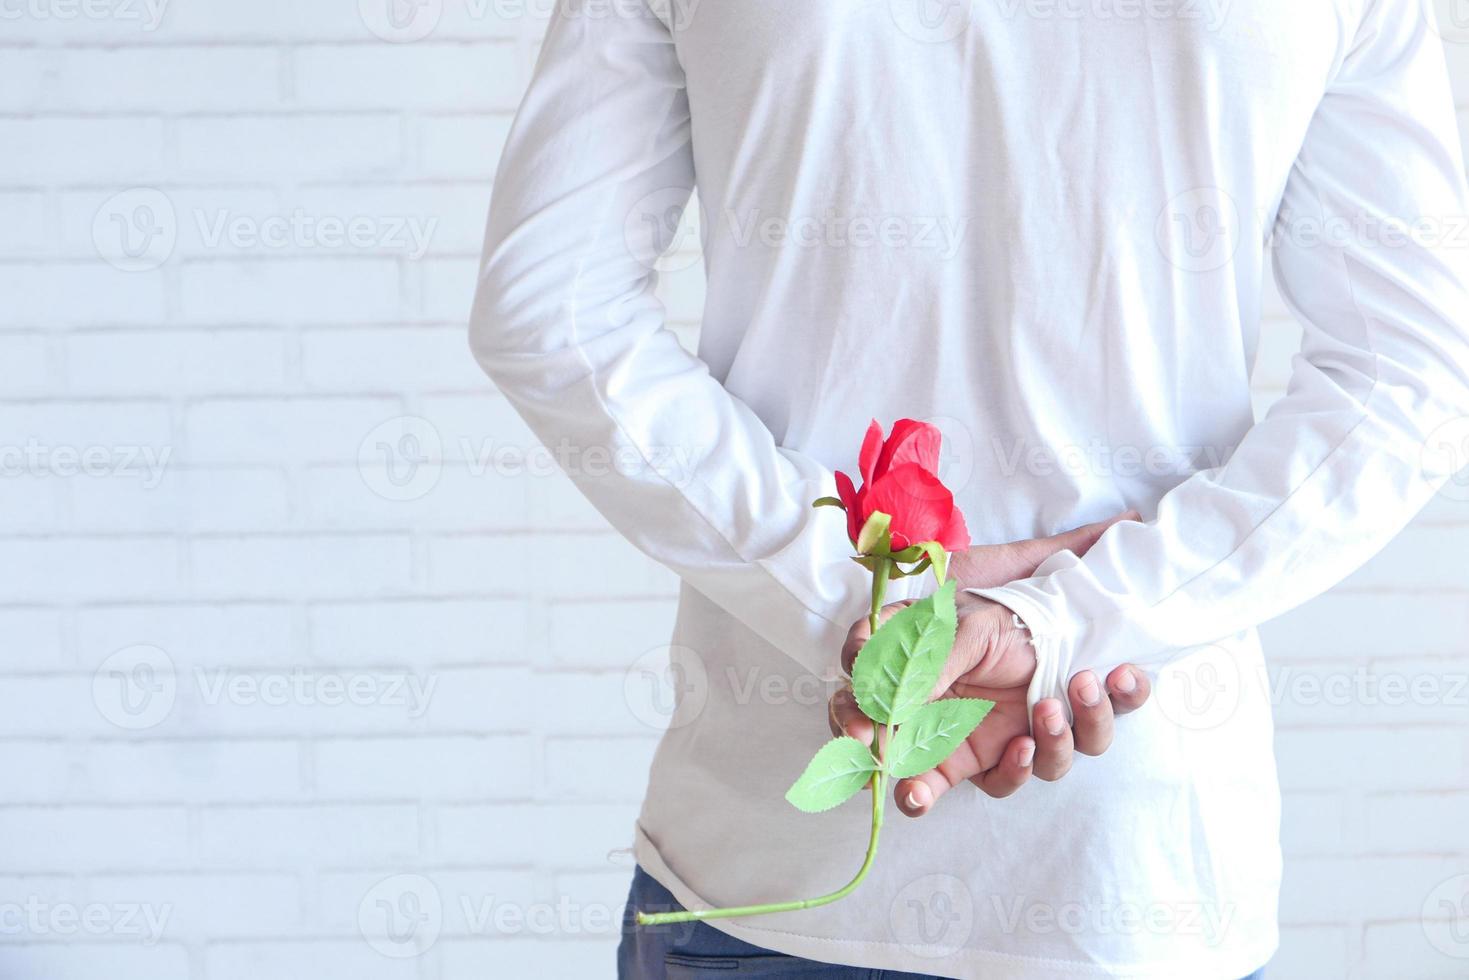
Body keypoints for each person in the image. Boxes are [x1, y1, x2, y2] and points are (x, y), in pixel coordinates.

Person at [470, 1, 1469, 976]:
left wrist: (869, 610)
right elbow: (1411, 376)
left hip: (766, 846)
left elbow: (550, 312)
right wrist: (1053, 622)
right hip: (1135, 863)